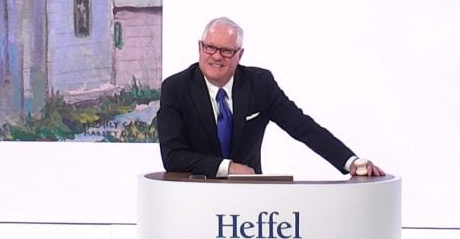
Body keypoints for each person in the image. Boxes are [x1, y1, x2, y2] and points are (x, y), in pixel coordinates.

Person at [157, 17, 385, 178]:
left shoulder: (260, 84)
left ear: (240, 54)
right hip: (192, 197)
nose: (217, 56)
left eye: (226, 51)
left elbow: (303, 127)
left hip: (251, 200)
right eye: (210, 48)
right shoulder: (175, 88)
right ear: (200, 47)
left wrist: (350, 161)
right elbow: (173, 156)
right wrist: (228, 167)